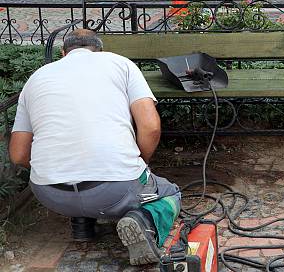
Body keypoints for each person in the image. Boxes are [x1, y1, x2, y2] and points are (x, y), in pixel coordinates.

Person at [9, 29, 180, 265]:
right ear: (99, 50)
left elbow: (18, 154)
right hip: (114, 188)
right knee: (170, 193)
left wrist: (55, 166)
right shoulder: (120, 64)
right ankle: (144, 220)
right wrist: (139, 163)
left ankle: (82, 225)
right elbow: (150, 127)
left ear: (63, 53)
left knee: (78, 169)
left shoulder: (36, 78)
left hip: (51, 194)